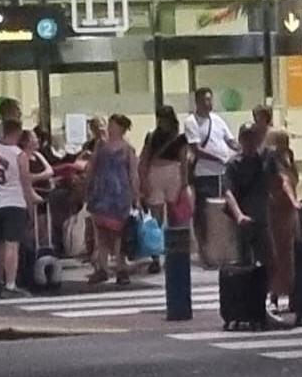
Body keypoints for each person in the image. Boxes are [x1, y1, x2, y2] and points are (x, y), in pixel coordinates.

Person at [0, 119, 42, 296]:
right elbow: (26, 184)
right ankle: (10, 284)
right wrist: (31, 208)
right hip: (14, 202)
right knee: (11, 245)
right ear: (16, 133)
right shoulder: (19, 155)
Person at [186, 87, 240, 265]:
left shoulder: (217, 120)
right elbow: (196, 149)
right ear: (198, 102)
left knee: (224, 209)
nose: (209, 104)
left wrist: (240, 149)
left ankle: (222, 246)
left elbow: (229, 140)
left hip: (222, 173)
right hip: (204, 174)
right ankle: (204, 249)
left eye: (210, 100)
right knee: (203, 212)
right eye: (205, 100)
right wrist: (219, 158)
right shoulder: (191, 122)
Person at [86, 114, 139, 285]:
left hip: (119, 195)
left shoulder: (127, 149)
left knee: (118, 234)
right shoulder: (100, 145)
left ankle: (120, 268)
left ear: (121, 128)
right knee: (101, 233)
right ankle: (102, 267)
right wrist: (88, 186)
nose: (109, 127)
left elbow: (133, 173)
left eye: (113, 125)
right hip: (101, 193)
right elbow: (92, 167)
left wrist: (136, 196)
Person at [140, 106, 190, 274]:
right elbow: (145, 158)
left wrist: (185, 183)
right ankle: (156, 256)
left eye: (164, 118)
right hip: (158, 173)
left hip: (172, 173)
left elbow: (184, 161)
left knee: (175, 215)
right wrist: (143, 181)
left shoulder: (180, 138)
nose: (162, 121)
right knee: (156, 218)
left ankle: (174, 254)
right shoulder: (152, 136)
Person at [223, 123, 275, 267]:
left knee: (268, 261)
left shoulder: (266, 159)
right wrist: (238, 215)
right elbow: (228, 192)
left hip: (263, 218)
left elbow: (277, 181)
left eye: (253, 138)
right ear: (240, 141)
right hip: (244, 220)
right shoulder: (233, 164)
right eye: (246, 139)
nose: (250, 143)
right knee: (244, 262)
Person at [265, 129, 300, 311]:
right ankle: (274, 296)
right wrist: (294, 201)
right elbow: (284, 180)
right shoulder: (270, 159)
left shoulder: (289, 156)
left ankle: (292, 295)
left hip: (288, 211)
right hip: (276, 210)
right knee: (277, 255)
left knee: (291, 254)